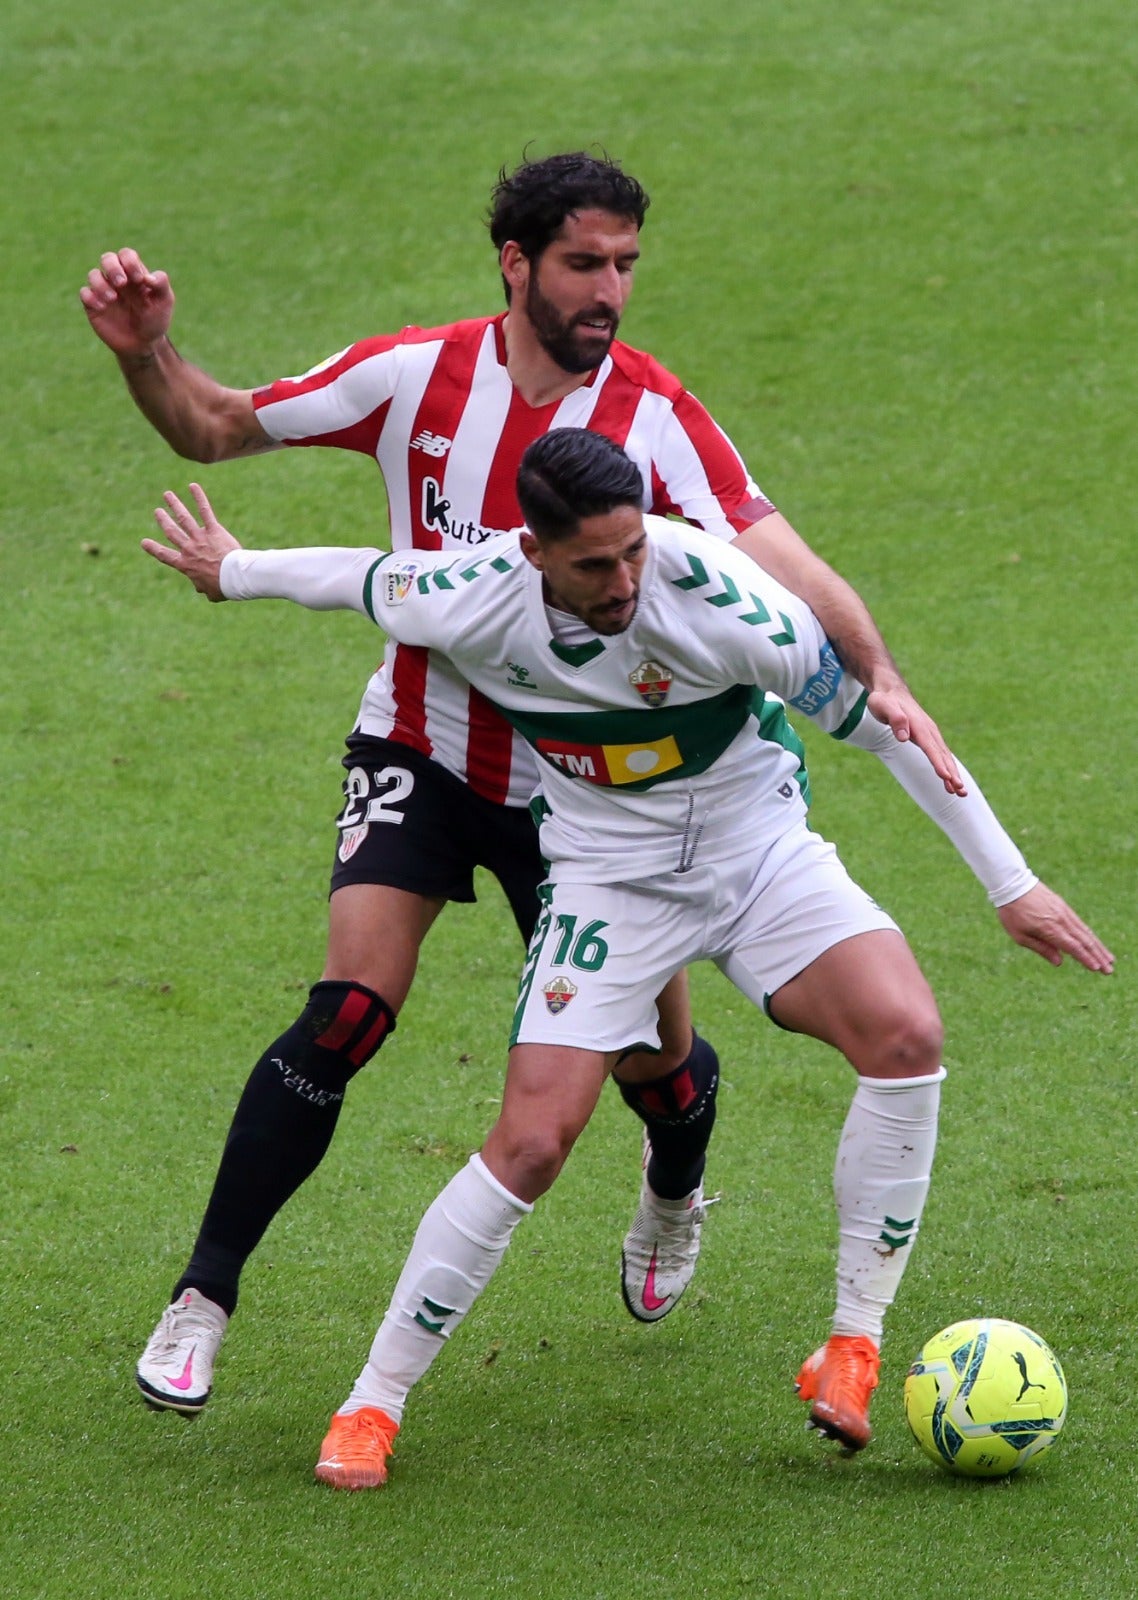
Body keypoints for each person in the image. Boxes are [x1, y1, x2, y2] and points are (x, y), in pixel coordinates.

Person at [83, 152, 964, 1416]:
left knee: (650, 1063)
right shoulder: (410, 378)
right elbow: (216, 426)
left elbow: (790, 565)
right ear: (516, 261)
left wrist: (879, 677)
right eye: (583, 262)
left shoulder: (654, 413)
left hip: (593, 798)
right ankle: (204, 1296)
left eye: (624, 265)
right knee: (346, 1009)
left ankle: (672, 1178)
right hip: (421, 749)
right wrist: (146, 355)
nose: (610, 289)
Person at [142, 432, 1112, 1487]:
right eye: (595, 565)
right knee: (531, 1144)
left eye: (632, 552)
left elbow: (888, 728)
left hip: (758, 853)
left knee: (907, 1035)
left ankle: (852, 1343)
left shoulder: (727, 602)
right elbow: (355, 579)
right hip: (609, 877)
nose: (624, 582)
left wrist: (1011, 885)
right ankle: (373, 1403)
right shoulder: (475, 593)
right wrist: (228, 571)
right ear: (534, 551)